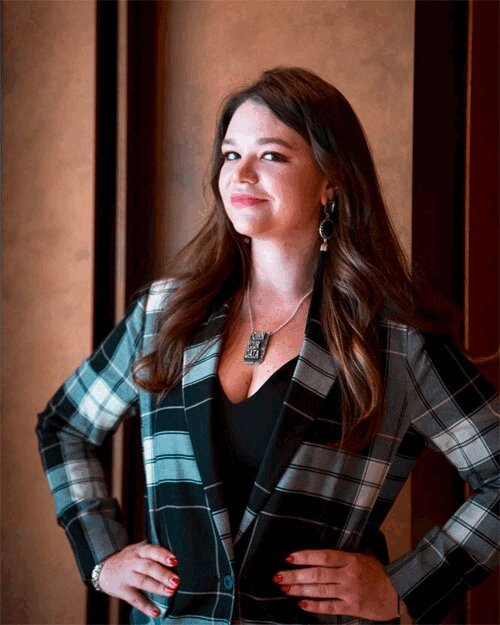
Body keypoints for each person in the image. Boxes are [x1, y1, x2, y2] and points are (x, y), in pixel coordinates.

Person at [37, 67, 499, 625]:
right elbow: (64, 426)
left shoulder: (395, 341)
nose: (241, 173)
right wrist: (101, 555)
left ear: (331, 181)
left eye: (272, 155)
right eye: (231, 154)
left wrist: (403, 588)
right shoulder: (165, 314)